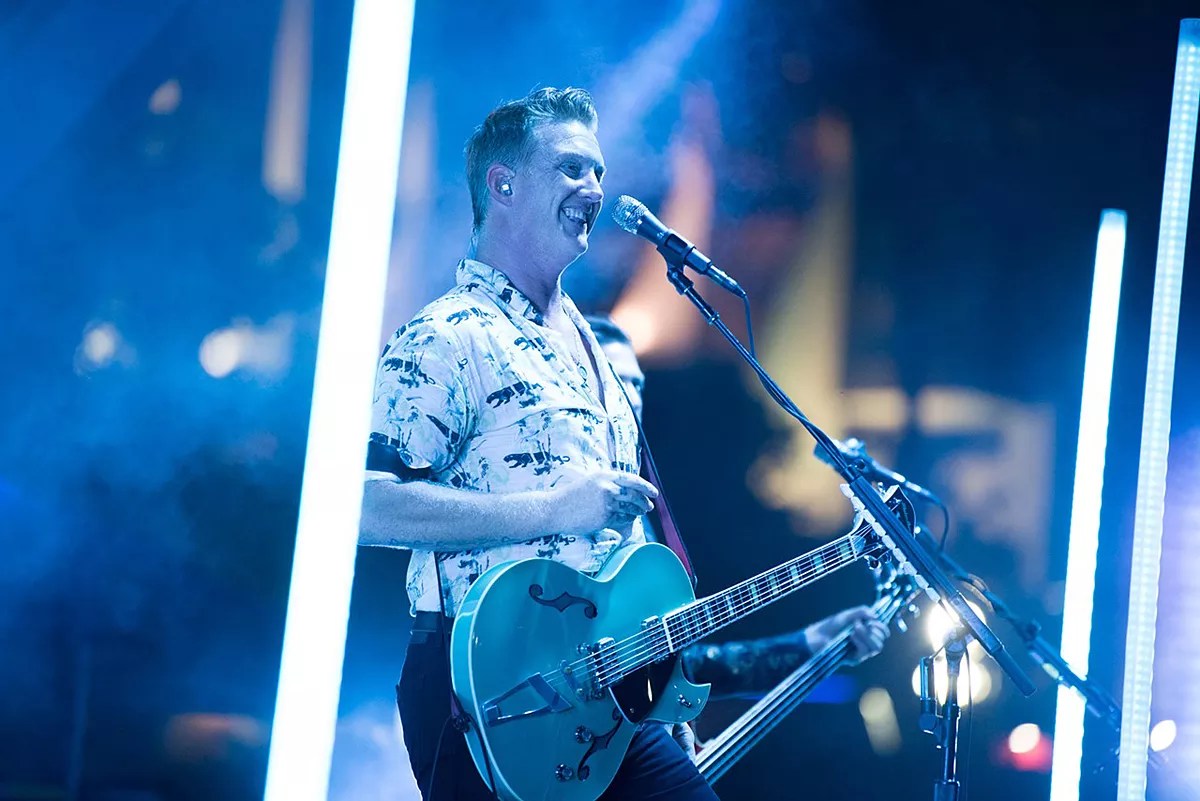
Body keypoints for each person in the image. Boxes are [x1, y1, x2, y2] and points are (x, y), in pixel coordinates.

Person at [585, 316, 890, 753]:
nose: (628, 398)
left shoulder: (649, 515)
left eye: (635, 385)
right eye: (613, 382)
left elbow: (682, 662)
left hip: (614, 746)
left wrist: (807, 644)